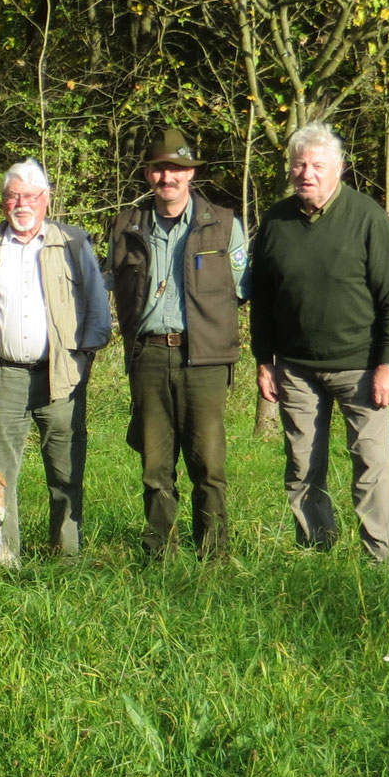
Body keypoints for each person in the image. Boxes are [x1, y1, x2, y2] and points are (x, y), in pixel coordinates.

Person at [252, 122, 389, 563]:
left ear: (338, 169)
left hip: (360, 367)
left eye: (318, 165)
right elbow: (262, 298)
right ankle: (317, 547)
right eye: (300, 164)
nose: (308, 173)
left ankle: (383, 557)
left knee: (370, 467)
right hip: (295, 368)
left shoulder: (366, 217)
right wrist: (263, 361)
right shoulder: (276, 221)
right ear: (290, 170)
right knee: (303, 466)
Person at [0, 159, 110, 556]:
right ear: (4, 201)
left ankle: (66, 558)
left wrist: (85, 358)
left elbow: (97, 303)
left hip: (61, 376)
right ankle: (4, 558)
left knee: (65, 472)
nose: (22, 204)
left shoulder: (73, 243)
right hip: (2, 377)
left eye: (31, 196)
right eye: (13, 196)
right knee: (0, 477)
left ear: (46, 199)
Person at [105, 129, 249, 558]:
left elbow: (243, 288)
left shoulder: (224, 225)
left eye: (177, 168)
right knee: (155, 465)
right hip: (148, 354)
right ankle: (159, 553)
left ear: (190, 174)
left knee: (208, 464)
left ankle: (214, 552)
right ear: (149, 174)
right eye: (160, 168)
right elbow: (111, 286)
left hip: (204, 358)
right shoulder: (126, 225)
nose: (168, 176)